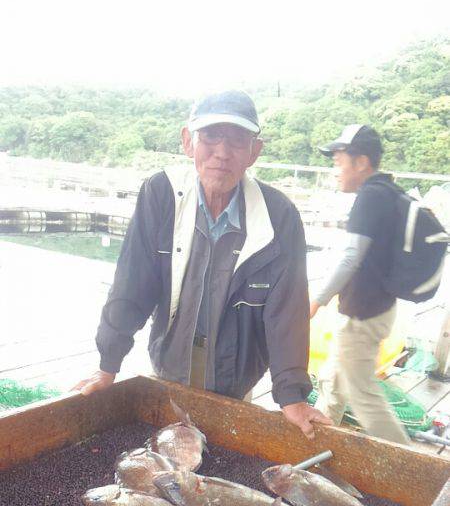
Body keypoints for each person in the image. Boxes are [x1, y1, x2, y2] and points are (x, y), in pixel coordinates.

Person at [74, 90, 331, 439]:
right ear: (188, 141)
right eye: (210, 136)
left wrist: (292, 396)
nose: (222, 152)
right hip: (168, 367)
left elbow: (288, 311)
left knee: (222, 447)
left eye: (237, 139)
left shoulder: (279, 215)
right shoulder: (161, 194)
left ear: (254, 151)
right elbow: (132, 284)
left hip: (236, 381)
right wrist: (108, 363)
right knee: (169, 449)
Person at [310, 124, 410, 445]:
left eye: (339, 161)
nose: (335, 169)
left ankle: (408, 461)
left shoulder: (370, 197)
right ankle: (318, 443)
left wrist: (316, 300)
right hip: (375, 310)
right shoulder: (389, 192)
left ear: (362, 162)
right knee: (333, 381)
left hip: (363, 316)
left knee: (363, 396)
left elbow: (351, 257)